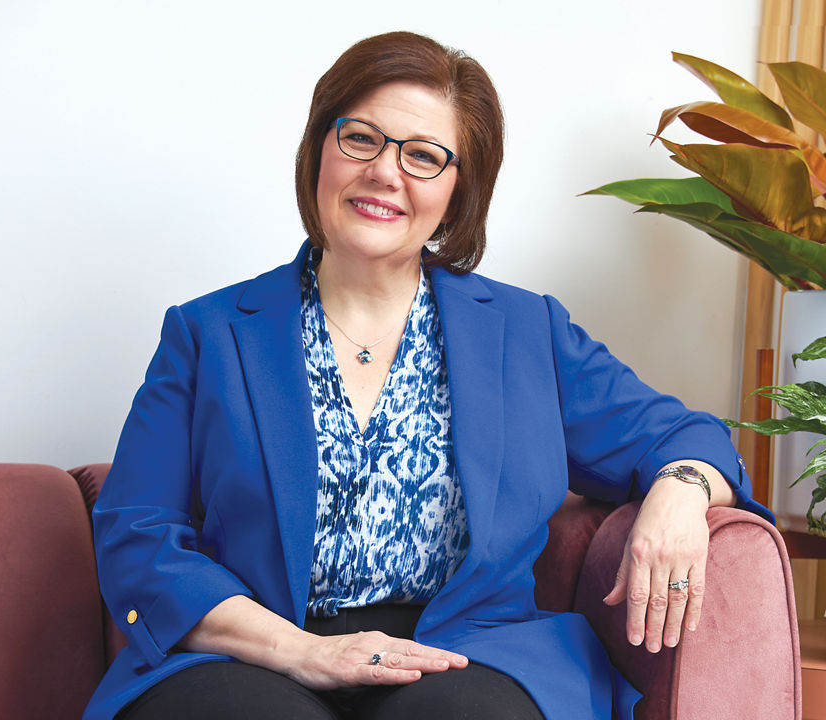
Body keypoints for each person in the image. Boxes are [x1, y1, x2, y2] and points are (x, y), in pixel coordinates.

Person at [84, 31, 771, 720]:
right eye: (362, 138)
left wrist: (681, 493)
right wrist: (300, 650)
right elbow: (138, 531)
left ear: (457, 188)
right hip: (254, 654)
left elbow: (683, 435)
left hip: (467, 659)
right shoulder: (208, 334)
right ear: (321, 147)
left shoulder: (526, 332)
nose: (386, 172)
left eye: (423, 156)